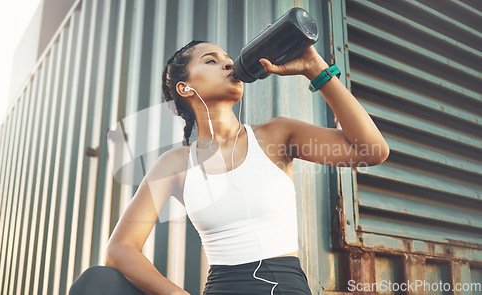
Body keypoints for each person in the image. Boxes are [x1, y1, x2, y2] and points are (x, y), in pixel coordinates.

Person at [69, 37, 389, 295]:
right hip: (222, 287)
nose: (228, 63)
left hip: (285, 288)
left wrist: (314, 67)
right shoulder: (176, 164)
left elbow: (371, 151)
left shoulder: (277, 135)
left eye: (227, 58)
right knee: (98, 283)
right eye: (211, 60)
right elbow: (120, 250)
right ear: (185, 88)